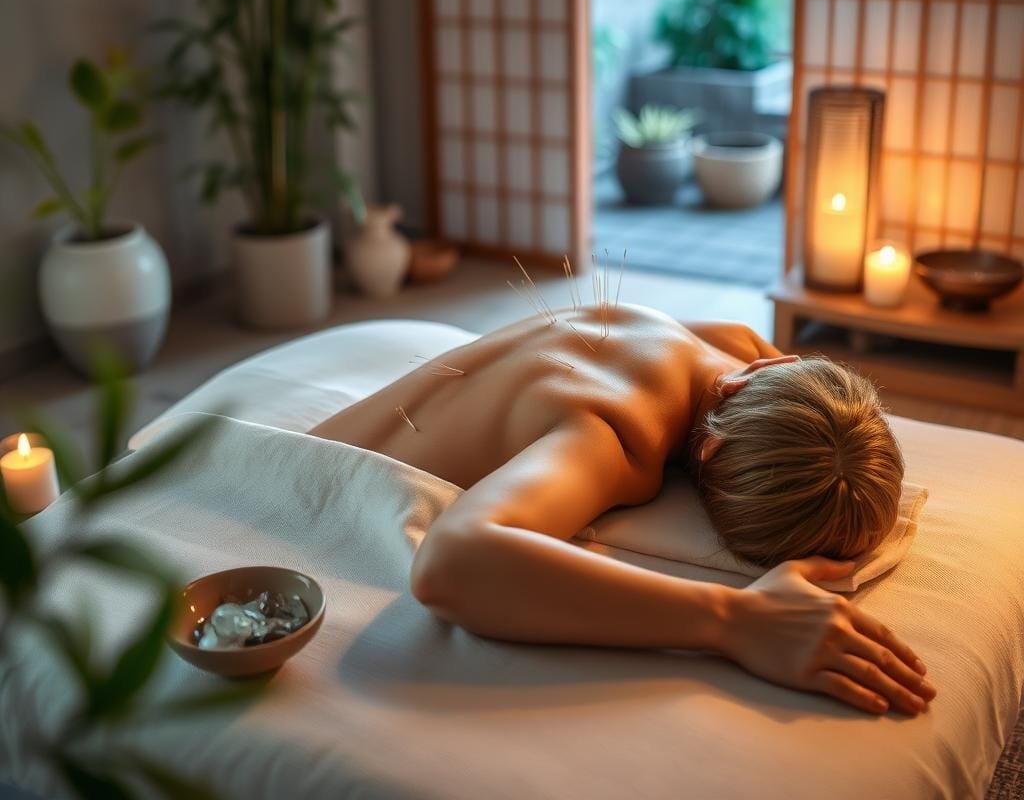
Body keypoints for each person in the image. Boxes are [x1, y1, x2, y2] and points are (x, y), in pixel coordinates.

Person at [310, 301, 936, 717]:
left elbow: (800, 415)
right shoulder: (614, 434)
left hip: (333, 428)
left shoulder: (731, 345)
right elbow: (452, 564)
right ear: (711, 460)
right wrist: (734, 619)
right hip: (302, 484)